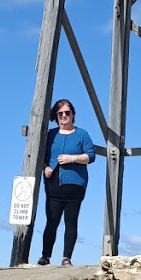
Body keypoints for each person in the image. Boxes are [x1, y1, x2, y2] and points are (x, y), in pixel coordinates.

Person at [38, 98, 95, 265]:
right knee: (52, 221)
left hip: (75, 185)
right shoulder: (50, 135)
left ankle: (66, 258)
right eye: (60, 113)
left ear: (73, 114)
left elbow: (90, 156)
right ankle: (45, 256)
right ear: (56, 115)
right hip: (53, 184)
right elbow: (41, 154)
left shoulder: (82, 134)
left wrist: (73, 158)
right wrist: (44, 167)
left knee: (71, 222)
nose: (64, 116)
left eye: (67, 113)